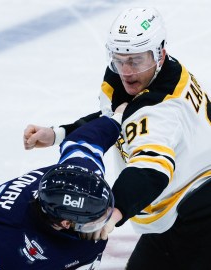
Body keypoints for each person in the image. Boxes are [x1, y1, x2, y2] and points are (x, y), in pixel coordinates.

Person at [23, 7, 211, 270]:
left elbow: (150, 170)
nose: (127, 72)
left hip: (199, 215)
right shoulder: (157, 75)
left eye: (136, 61)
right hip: (175, 211)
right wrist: (59, 133)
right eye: (119, 59)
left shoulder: (162, 110)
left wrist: (114, 212)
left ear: (160, 53)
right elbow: (118, 118)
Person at [0, 112, 125, 270]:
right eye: (95, 218)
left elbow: (84, 140)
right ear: (66, 223)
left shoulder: (80, 177)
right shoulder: (2, 245)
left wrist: (118, 117)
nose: (105, 219)